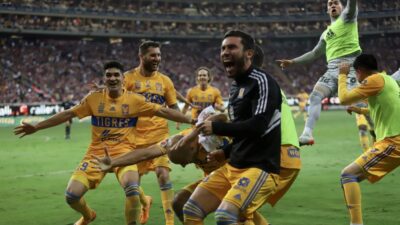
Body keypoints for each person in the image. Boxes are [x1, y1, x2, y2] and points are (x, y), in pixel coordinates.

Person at [14, 61, 193, 225]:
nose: (112, 78)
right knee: (71, 196)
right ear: (104, 79)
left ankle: (142, 204)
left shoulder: (135, 100)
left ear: (123, 79)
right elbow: (68, 114)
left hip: (125, 154)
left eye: (116, 75)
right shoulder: (94, 99)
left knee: (131, 188)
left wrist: (191, 121)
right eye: (109, 75)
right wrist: (37, 126)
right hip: (96, 155)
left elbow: (164, 112)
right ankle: (88, 215)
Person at [182, 30, 282, 225]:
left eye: (232, 47)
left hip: (259, 167)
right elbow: (241, 130)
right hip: (233, 165)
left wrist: (217, 127)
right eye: (223, 48)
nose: (225, 52)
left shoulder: (262, 81)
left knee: (226, 216)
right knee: (191, 209)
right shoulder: (235, 87)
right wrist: (225, 151)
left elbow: (259, 125)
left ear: (249, 53)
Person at [277, 0, 361, 145]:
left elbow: (352, 4)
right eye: (330, 4)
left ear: (342, 7)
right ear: (327, 10)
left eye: (336, 3)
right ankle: (307, 134)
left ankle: (379, 130)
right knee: (315, 96)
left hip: (350, 67)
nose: (333, 5)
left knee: (360, 102)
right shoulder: (326, 33)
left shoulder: (348, 17)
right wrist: (293, 62)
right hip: (332, 69)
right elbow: (315, 53)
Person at [337, 54, 400, 225]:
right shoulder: (388, 80)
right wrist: (361, 111)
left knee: (348, 175)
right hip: (393, 139)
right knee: (350, 176)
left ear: (360, 71)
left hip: (394, 142)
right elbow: (383, 109)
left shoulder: (373, 80)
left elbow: (343, 98)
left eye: (356, 75)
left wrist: (342, 74)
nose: (357, 79)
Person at [123, 40, 179, 225]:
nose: (157, 59)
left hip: (159, 135)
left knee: (163, 174)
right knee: (131, 186)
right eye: (153, 55)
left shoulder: (165, 81)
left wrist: (188, 121)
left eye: (159, 55)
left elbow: (173, 107)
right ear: (142, 56)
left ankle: (170, 222)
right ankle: (144, 201)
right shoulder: (128, 78)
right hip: (134, 138)